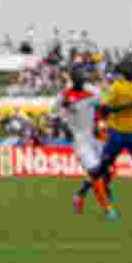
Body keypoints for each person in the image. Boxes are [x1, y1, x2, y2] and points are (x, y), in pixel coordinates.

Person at [89, 57, 132, 222]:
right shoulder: (116, 87)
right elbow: (103, 108)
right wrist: (124, 107)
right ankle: (104, 200)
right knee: (104, 167)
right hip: (117, 133)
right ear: (128, 72)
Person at [54, 66, 116, 219]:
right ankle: (108, 209)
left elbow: (103, 108)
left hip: (95, 136)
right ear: (73, 80)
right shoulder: (64, 95)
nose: (83, 82)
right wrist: (63, 125)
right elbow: (55, 114)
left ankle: (80, 195)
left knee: (109, 170)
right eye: (79, 79)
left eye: (84, 79)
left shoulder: (93, 91)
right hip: (80, 140)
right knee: (95, 172)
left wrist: (102, 122)